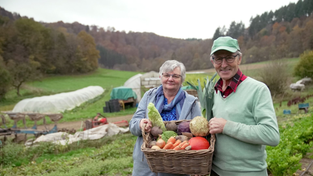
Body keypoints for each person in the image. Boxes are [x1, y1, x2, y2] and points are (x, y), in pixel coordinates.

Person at [208, 36, 280, 176]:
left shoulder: (258, 89)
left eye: (229, 58)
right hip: (215, 171)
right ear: (213, 61)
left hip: (248, 172)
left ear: (239, 59)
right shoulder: (212, 92)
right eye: (218, 59)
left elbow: (271, 135)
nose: (223, 65)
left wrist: (226, 126)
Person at [129, 60, 201, 176]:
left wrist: (196, 163)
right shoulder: (148, 96)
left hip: (177, 166)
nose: (170, 79)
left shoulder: (191, 102)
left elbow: (199, 135)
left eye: (175, 76)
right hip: (146, 165)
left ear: (181, 79)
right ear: (160, 76)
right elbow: (133, 125)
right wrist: (141, 123)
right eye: (166, 75)